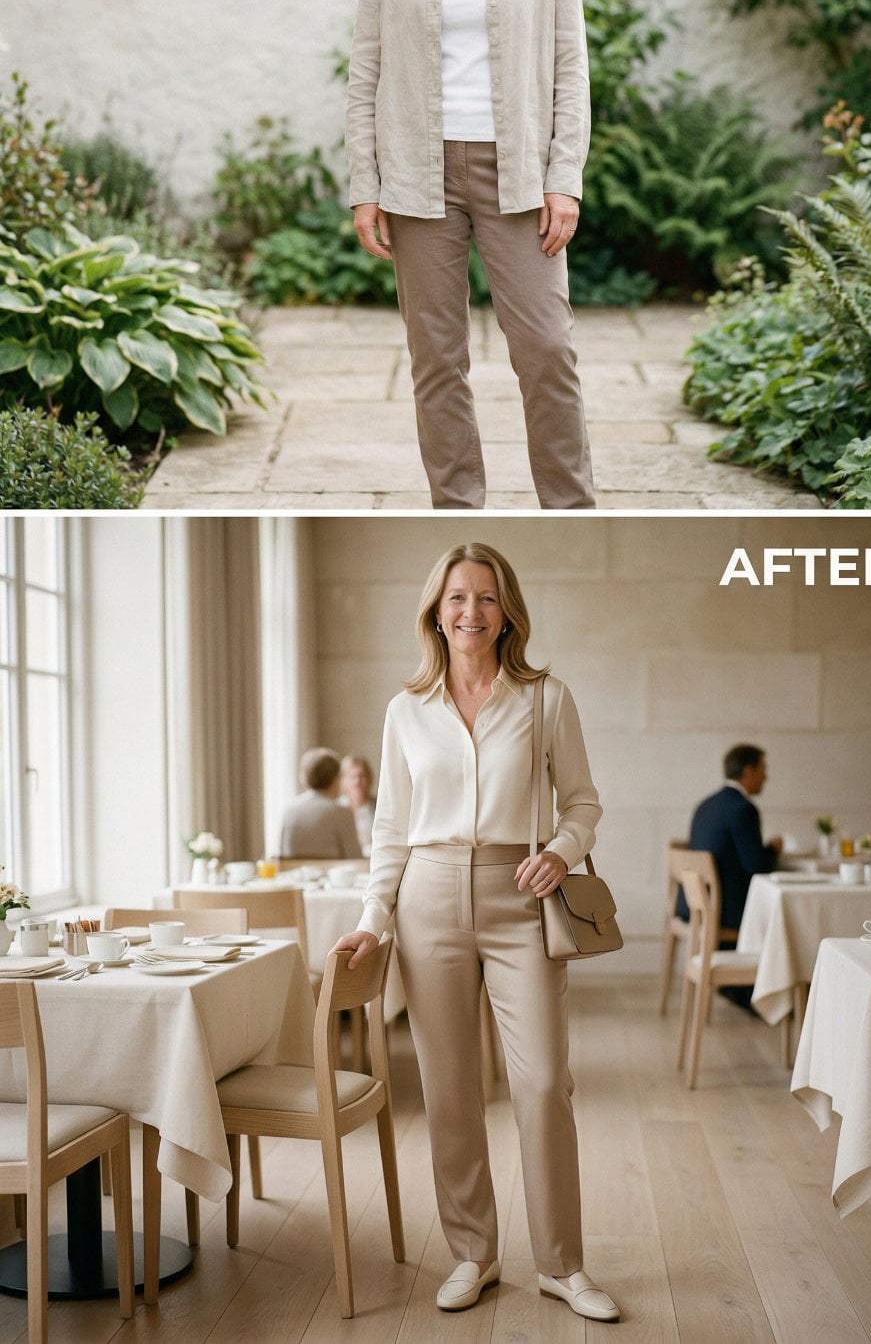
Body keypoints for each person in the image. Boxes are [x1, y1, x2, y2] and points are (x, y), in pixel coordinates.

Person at [333, 542, 618, 1322]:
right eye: (457, 597)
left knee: (540, 1083)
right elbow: (389, 829)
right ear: (436, 609)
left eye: (486, 598)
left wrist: (561, 854)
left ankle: (562, 1264)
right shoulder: (405, 710)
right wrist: (371, 920)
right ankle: (474, 1254)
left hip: (520, 894)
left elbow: (584, 804)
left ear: (507, 611)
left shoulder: (545, 697)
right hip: (426, 898)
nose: (471, 612)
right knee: (451, 1090)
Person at [346, 0, 595, 510]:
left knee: (547, 350)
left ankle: (571, 507)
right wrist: (367, 186)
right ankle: (457, 504)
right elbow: (365, 73)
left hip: (517, 170)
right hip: (418, 177)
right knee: (437, 361)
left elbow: (570, 65)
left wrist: (564, 177)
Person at [684, 744, 782, 933]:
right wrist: (773, 849)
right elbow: (758, 867)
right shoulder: (743, 809)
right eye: (763, 769)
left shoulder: (705, 805)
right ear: (748, 770)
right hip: (728, 912)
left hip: (696, 906)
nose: (766, 777)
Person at [278, 747, 363, 860]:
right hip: (331, 877)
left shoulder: (288, 811)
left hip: (294, 876)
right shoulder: (342, 813)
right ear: (336, 778)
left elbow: (283, 856)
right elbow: (355, 859)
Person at [339, 753, 376, 855]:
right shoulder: (336, 808)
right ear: (343, 780)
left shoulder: (379, 806)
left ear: (369, 779)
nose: (357, 781)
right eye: (352, 777)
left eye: (362, 776)